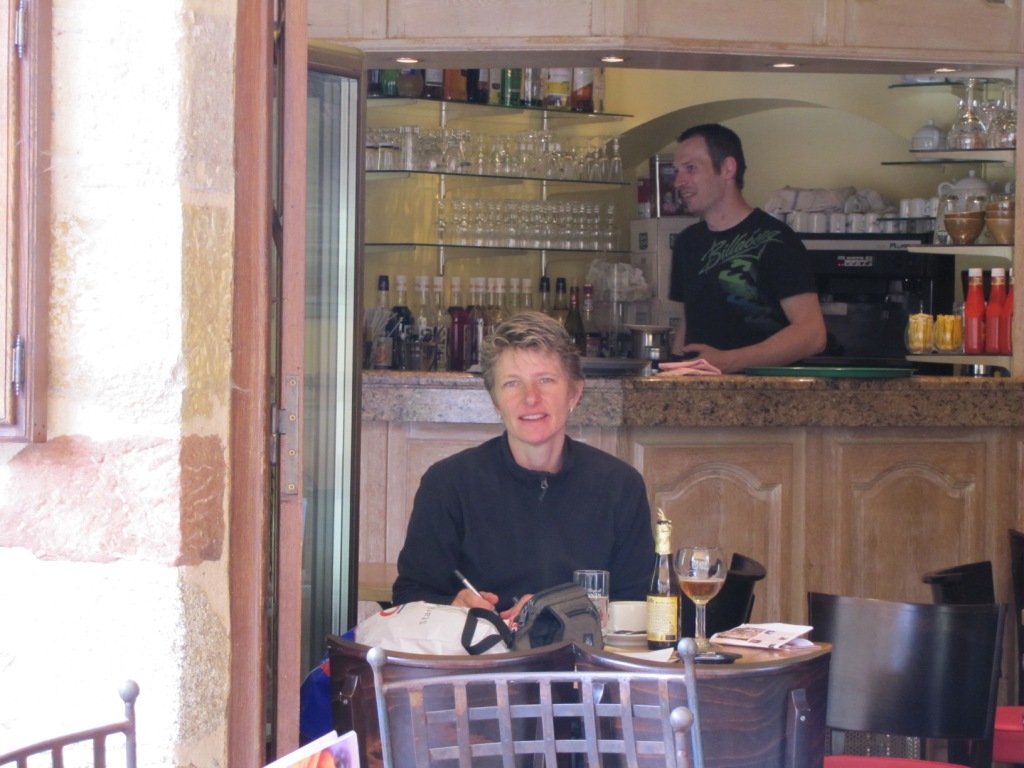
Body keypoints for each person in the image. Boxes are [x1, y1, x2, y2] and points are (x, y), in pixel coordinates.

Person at [391, 310, 654, 621]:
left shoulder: (619, 485)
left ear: (574, 393)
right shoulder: (448, 483)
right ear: (495, 401)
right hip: (483, 650)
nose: (531, 398)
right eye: (512, 383)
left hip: (582, 652)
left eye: (545, 380)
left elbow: (639, 602)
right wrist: (452, 607)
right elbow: (409, 595)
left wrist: (560, 610)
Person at [668, 123, 826, 373]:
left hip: (764, 391)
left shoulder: (777, 239)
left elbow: (812, 335)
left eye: (691, 168)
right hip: (697, 389)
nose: (678, 182)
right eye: (677, 171)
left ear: (727, 168)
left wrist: (729, 361)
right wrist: (672, 373)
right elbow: (688, 323)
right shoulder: (688, 242)